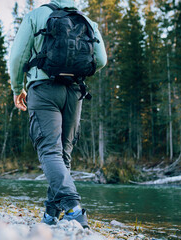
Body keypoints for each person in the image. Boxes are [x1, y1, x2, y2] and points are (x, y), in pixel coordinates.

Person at [9, 0, 107, 228]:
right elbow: (101, 60)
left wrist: (17, 88)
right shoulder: (87, 21)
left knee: (49, 150)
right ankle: (51, 214)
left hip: (43, 89)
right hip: (74, 91)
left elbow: (17, 57)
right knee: (63, 155)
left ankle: (73, 209)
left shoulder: (36, 16)